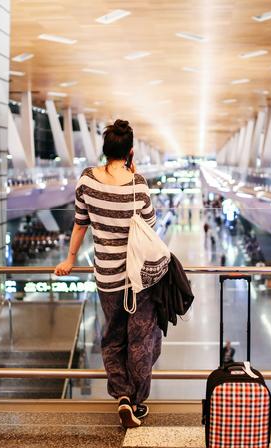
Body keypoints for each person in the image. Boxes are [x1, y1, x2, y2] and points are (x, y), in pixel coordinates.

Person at [55, 119, 160, 429]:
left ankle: (122, 396)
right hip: (138, 279)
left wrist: (70, 259)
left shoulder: (87, 180)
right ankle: (137, 402)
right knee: (141, 339)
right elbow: (150, 226)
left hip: (108, 278)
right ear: (129, 151)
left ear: (104, 150)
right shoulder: (137, 182)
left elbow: (79, 223)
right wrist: (134, 172)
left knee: (113, 337)